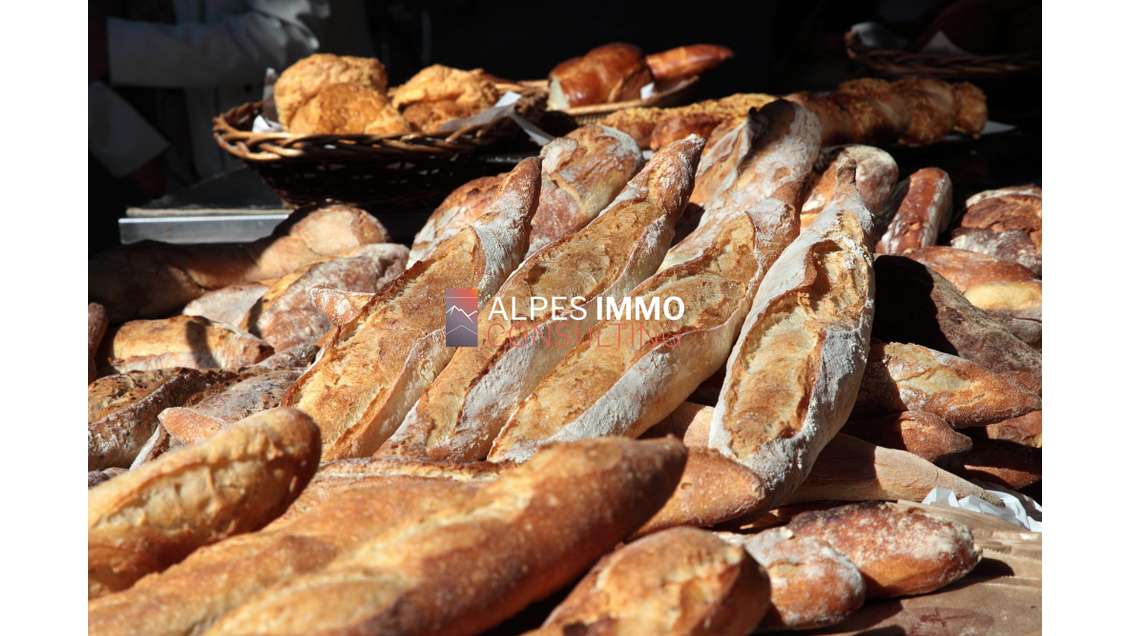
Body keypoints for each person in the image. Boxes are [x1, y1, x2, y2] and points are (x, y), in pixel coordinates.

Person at [88, 1, 328, 252]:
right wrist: (127, 149)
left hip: (247, 171)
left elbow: (291, 36)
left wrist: (118, 47)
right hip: (121, 173)